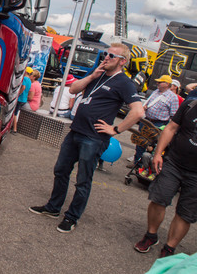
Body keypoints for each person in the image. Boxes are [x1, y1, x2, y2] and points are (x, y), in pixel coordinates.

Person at [29, 43, 144, 233]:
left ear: (122, 62)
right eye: (105, 54)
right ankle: (53, 207)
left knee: (83, 180)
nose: (106, 58)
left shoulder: (124, 82)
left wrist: (115, 129)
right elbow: (73, 89)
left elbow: (138, 112)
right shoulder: (97, 75)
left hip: (94, 138)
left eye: (111, 56)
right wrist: (92, 75)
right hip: (76, 131)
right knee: (61, 170)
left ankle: (72, 217)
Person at [134, 97, 197, 258]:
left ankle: (169, 248)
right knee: (159, 198)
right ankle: (151, 235)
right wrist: (157, 154)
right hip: (174, 163)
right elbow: (171, 128)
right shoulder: (191, 104)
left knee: (186, 213)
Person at [128, 75, 179, 166]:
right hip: (146, 120)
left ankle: (145, 165)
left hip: (159, 123)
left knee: (151, 146)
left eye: (160, 82)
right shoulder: (156, 92)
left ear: (167, 84)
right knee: (140, 142)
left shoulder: (173, 97)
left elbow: (174, 115)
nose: (157, 83)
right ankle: (137, 163)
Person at [12, 67, 33, 133]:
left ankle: (14, 129)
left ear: (25, 72)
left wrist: (18, 94)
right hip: (24, 100)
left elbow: (23, 87)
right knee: (17, 113)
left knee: (14, 113)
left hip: (20, 98)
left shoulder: (24, 78)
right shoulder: (29, 80)